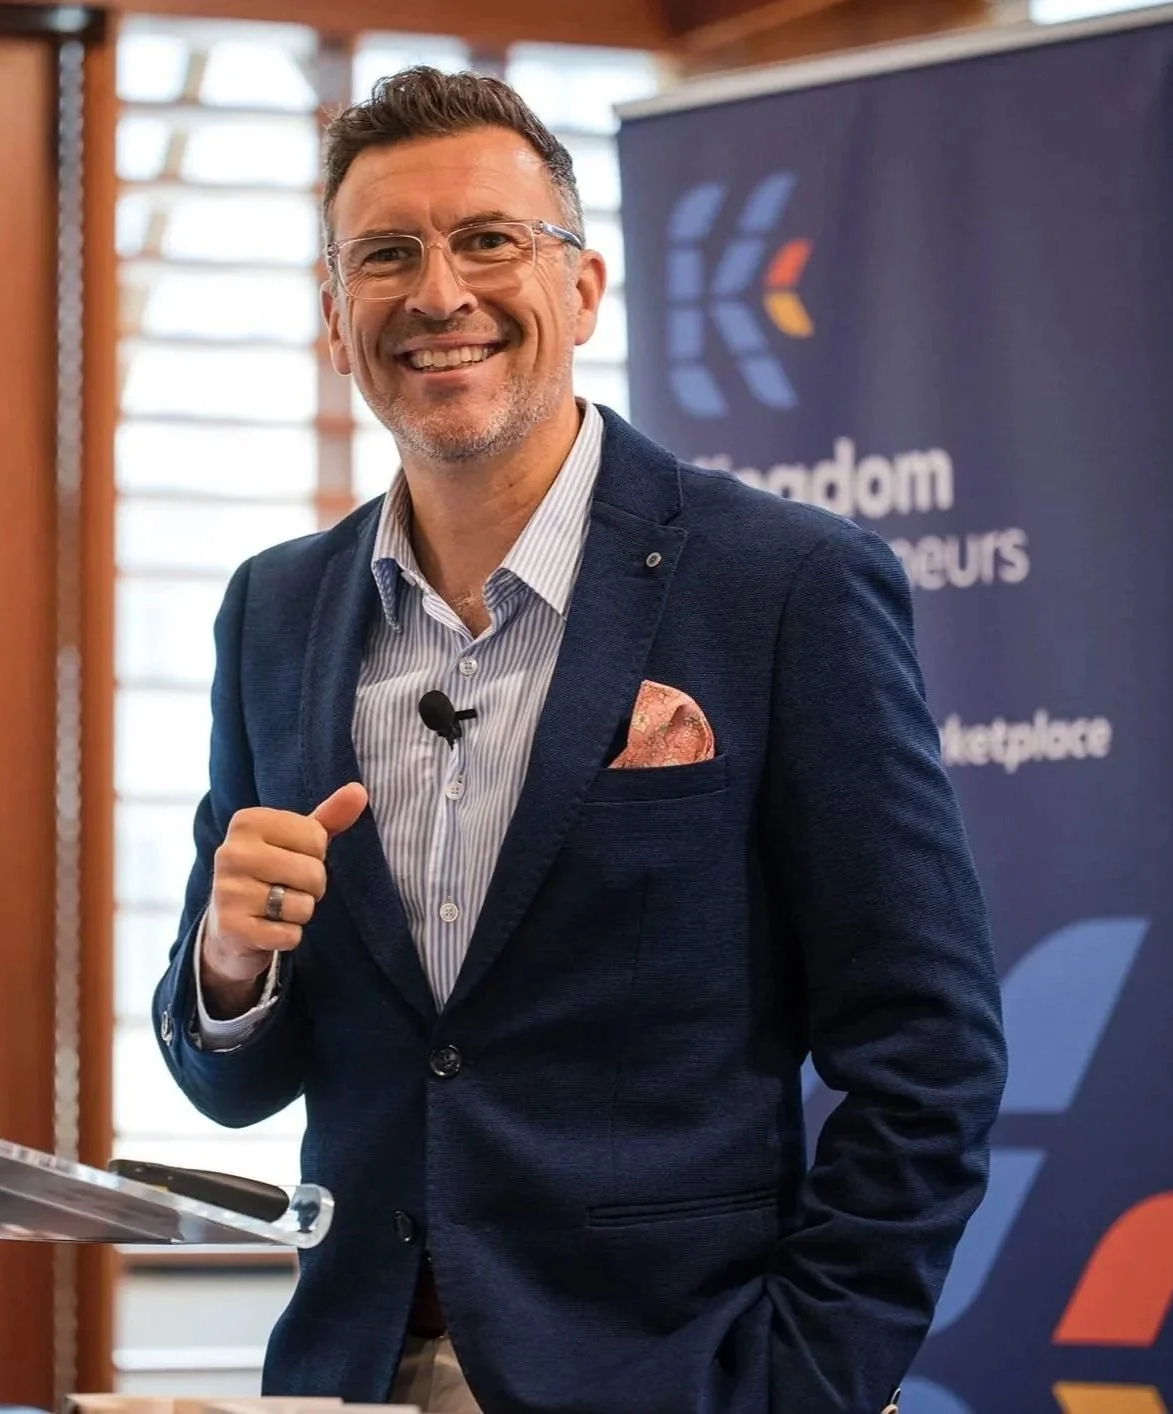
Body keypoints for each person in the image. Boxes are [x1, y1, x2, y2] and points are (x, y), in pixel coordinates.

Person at [152, 66, 1007, 1414]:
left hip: (680, 1374)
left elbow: (928, 1049)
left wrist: (797, 1381)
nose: (438, 294)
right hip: (352, 1370)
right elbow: (232, 1081)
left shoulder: (782, 585)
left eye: (487, 239)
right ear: (333, 318)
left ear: (583, 288)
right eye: (385, 255)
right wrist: (230, 958)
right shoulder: (273, 609)